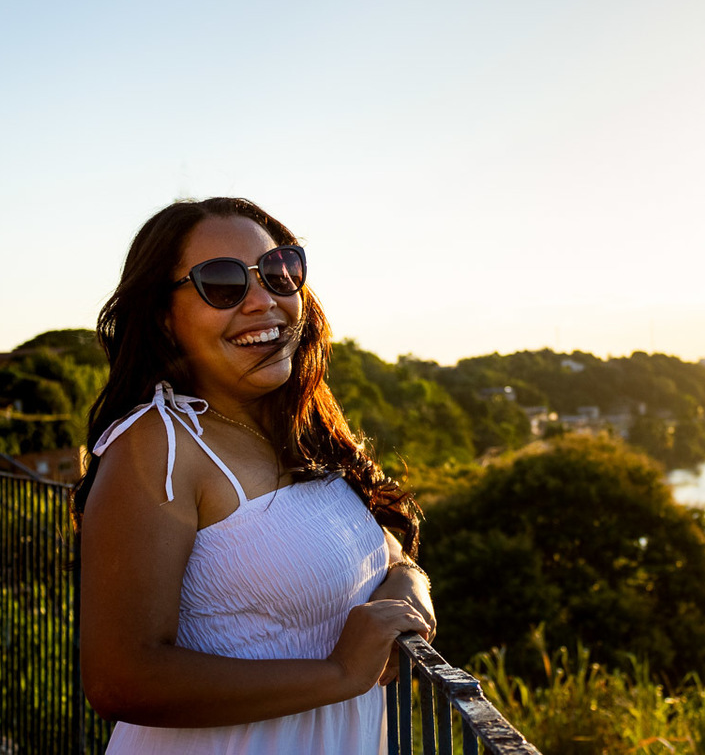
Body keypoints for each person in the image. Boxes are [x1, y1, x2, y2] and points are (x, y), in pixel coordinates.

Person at [70, 197, 433, 754]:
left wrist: (410, 587)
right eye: (222, 284)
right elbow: (121, 677)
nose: (263, 301)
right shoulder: (158, 447)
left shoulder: (297, 429)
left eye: (279, 272)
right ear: (165, 318)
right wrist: (341, 673)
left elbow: (380, 552)